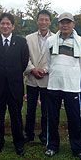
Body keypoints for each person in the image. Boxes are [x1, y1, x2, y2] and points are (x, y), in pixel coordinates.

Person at [44, 12, 81, 160]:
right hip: (54, 84)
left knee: (75, 118)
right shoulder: (51, 41)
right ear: (58, 24)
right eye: (62, 22)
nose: (65, 25)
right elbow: (49, 62)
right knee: (52, 118)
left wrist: (73, 76)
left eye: (68, 22)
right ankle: (52, 146)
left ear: (73, 24)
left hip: (72, 86)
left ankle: (77, 148)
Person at [0, 13, 29, 156]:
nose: (5, 26)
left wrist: (12, 73)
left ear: (13, 26)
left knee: (16, 116)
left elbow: (23, 62)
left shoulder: (21, 42)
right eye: (2, 23)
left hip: (15, 86)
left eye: (8, 24)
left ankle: (19, 144)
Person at [24, 10, 54, 145]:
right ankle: (29, 134)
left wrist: (45, 70)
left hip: (47, 80)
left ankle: (44, 135)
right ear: (37, 21)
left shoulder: (55, 38)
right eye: (41, 19)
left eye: (46, 20)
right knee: (30, 110)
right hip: (31, 79)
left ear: (50, 22)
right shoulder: (28, 38)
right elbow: (25, 57)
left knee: (46, 111)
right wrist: (32, 69)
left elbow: (55, 59)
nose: (43, 22)